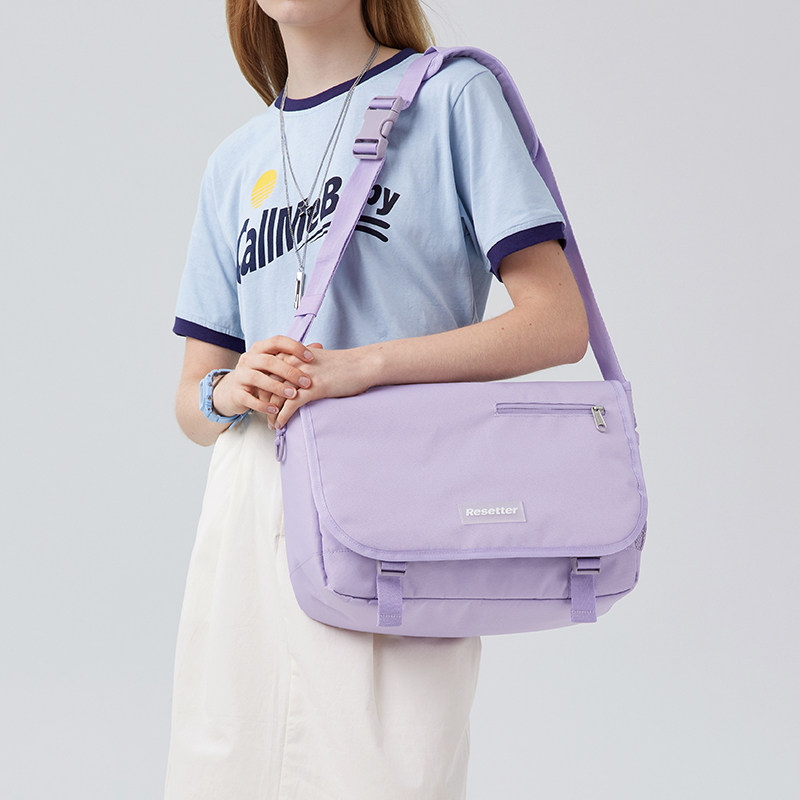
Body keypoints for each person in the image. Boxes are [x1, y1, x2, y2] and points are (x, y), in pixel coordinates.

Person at [164, 1, 589, 798]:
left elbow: (559, 324)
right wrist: (230, 388)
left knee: (389, 772)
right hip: (250, 508)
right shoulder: (235, 162)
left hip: (401, 496)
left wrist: (365, 367)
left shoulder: (452, 96)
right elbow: (192, 400)